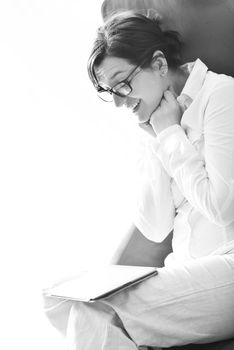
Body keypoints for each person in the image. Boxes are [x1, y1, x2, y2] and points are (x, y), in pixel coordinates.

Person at [44, 11, 234, 350]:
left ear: (159, 64)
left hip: (227, 265)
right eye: (109, 91)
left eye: (122, 84)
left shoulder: (221, 96)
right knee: (56, 299)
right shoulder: (155, 118)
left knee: (92, 313)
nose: (118, 101)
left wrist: (171, 135)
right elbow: (155, 227)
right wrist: (154, 140)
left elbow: (222, 208)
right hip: (185, 269)